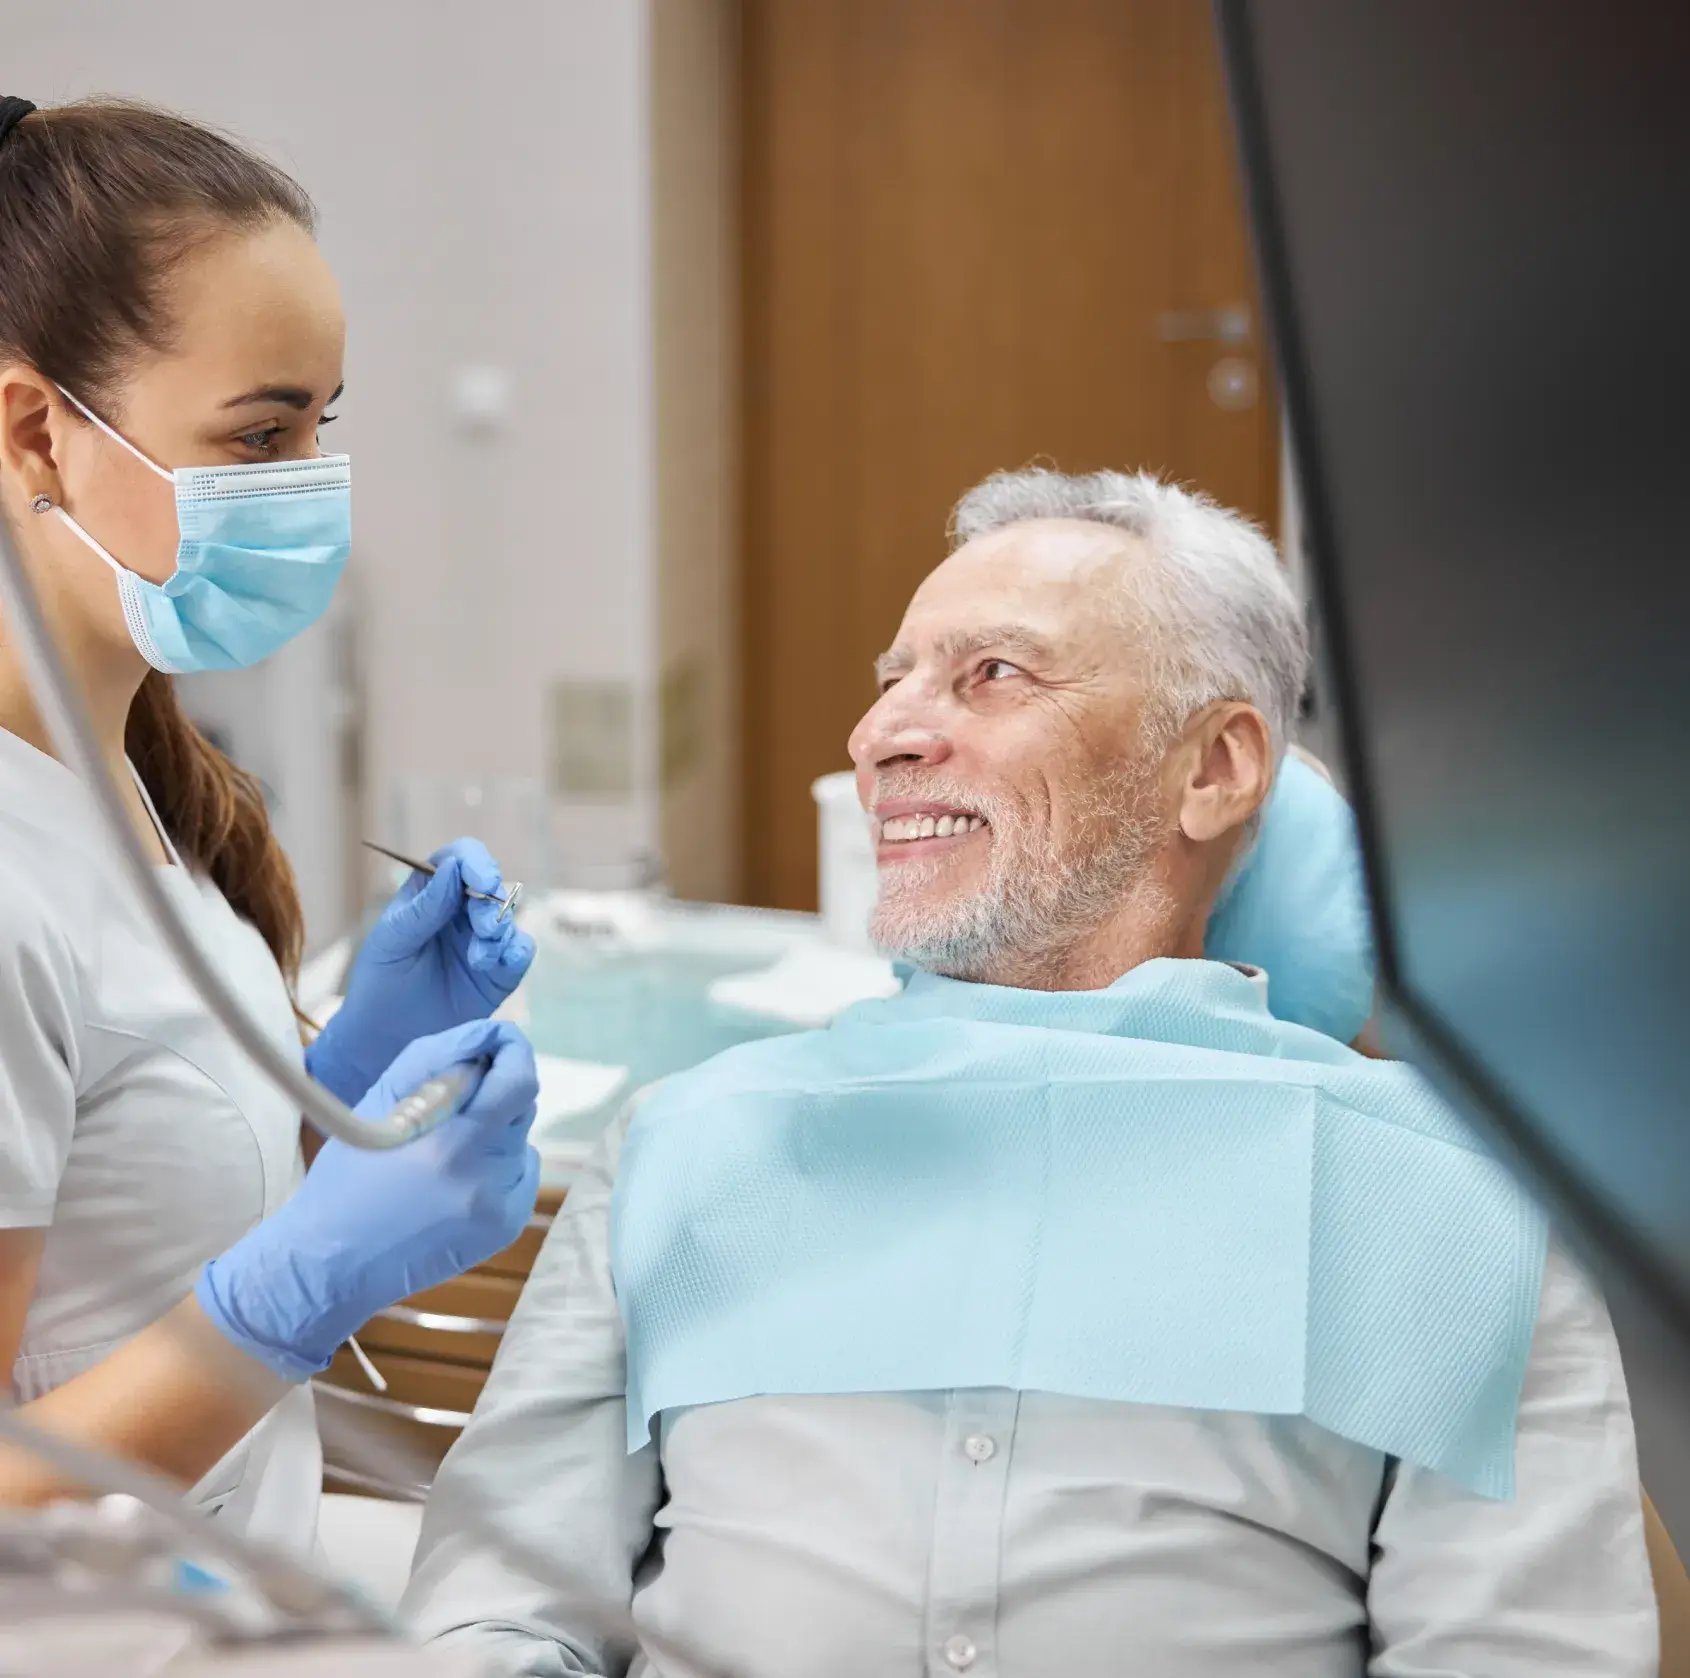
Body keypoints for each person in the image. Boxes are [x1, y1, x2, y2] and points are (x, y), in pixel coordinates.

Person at [403, 467, 1655, 1676]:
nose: (880, 733)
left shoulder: (1437, 1207)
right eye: (892, 681)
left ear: (1213, 768)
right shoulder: (686, 1146)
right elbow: (501, 1607)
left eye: (989, 673)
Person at [0, 94, 542, 1547]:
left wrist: (336, 1098)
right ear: (37, 430)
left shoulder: (124, 778)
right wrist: (288, 1299)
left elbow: (135, 1223)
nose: (307, 488)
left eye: (322, 422)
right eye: (259, 434)